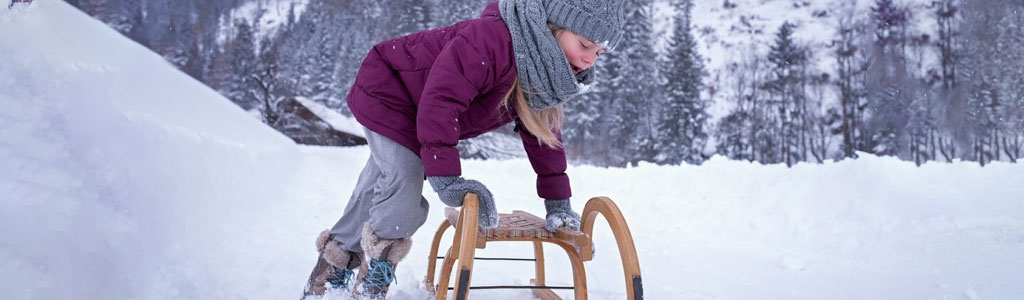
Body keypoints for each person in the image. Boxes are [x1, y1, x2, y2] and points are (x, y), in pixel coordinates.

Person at [302, 0, 624, 298]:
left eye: (599, 53)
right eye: (585, 45)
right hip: (388, 91)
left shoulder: (544, 71)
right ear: (555, 26)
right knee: (404, 177)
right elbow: (441, 102)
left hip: (419, 109)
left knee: (380, 185)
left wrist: (558, 204)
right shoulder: (492, 40)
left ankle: (331, 269)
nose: (590, 59)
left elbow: (544, 136)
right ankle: (371, 283)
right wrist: (448, 181)